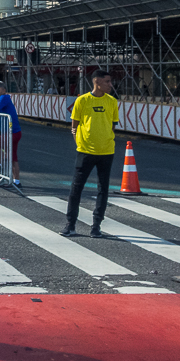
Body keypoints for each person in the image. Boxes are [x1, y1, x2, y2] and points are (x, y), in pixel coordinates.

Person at [63, 69, 119, 239]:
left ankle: (96, 226)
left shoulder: (112, 102)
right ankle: (70, 224)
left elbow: (112, 125)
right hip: (85, 151)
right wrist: (79, 142)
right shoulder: (82, 101)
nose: (110, 85)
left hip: (107, 151)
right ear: (97, 82)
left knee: (103, 188)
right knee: (76, 188)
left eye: (110, 82)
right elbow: (74, 125)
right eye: (107, 82)